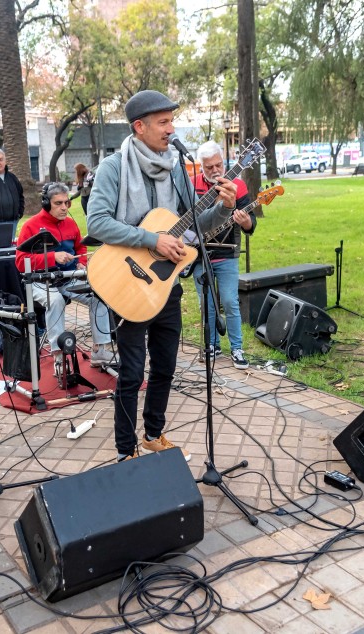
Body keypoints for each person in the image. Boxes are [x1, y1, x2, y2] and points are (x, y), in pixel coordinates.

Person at [87, 90, 236, 463]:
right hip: (126, 283)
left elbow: (191, 228)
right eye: (164, 122)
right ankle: (125, 449)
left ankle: (153, 433)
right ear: (140, 126)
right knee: (132, 371)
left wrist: (223, 209)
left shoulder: (176, 169)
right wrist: (152, 238)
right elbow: (97, 222)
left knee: (166, 365)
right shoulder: (114, 167)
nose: (172, 128)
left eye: (172, 120)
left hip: (165, 285)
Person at [15, 182, 115, 373]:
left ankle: (99, 350)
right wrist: (52, 257)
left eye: (67, 203)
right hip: (39, 281)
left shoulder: (70, 223)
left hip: (68, 278)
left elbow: (80, 247)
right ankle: (59, 357)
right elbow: (21, 262)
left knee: (100, 296)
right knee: (56, 301)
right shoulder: (31, 226)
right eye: (58, 203)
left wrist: (81, 263)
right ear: (46, 204)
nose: (64, 208)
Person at [190, 141, 255, 369]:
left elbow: (251, 223)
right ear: (201, 167)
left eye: (219, 164)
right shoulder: (192, 186)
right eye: (210, 167)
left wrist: (246, 221)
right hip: (198, 255)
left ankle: (237, 348)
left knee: (229, 301)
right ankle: (212, 344)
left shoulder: (237, 185)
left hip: (227, 254)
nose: (216, 170)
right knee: (206, 302)